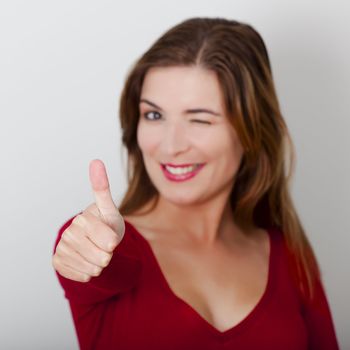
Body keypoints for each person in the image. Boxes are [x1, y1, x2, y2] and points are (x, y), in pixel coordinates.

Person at [52, 17, 339, 349]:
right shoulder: (105, 247)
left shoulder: (290, 256)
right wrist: (86, 252)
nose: (171, 146)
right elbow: (96, 267)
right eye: (154, 115)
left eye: (200, 119)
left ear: (251, 131)